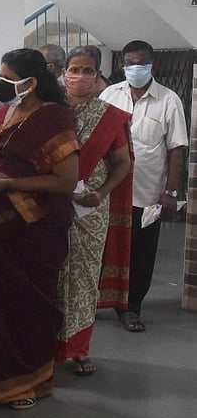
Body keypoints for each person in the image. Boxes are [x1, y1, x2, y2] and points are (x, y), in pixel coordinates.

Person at [0, 48, 79, 409]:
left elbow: (66, 181)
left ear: (31, 83)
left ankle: (27, 383)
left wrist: (8, 186)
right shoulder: (1, 115)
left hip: (34, 229)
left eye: (8, 78)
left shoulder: (55, 118)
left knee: (24, 305)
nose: (2, 84)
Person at [99, 39, 188, 332]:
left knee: (141, 253)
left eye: (141, 63)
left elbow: (177, 148)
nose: (135, 68)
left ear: (153, 65)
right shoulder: (110, 95)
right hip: (110, 190)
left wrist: (171, 192)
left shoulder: (168, 100)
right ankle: (96, 303)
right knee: (104, 249)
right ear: (122, 66)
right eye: (130, 63)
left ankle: (131, 308)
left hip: (148, 192)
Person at [55, 46, 134, 376]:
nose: (81, 76)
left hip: (90, 212)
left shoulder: (108, 116)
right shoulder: (50, 111)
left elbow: (122, 163)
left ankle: (78, 350)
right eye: (75, 68)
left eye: (88, 70)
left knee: (84, 279)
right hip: (52, 208)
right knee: (52, 277)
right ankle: (45, 346)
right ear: (64, 72)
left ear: (98, 75)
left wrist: (100, 193)